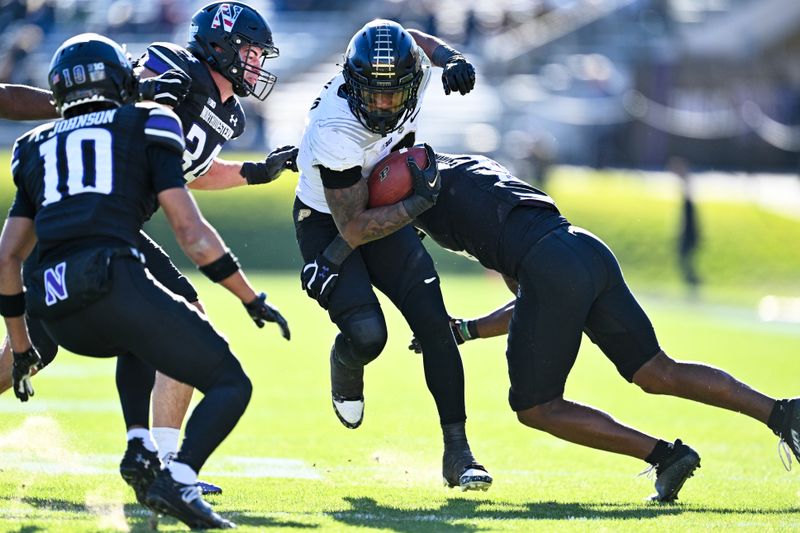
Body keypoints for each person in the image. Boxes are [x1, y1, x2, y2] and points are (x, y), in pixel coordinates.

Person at [0, 1, 298, 494]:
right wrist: (140, 94)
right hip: (93, 218)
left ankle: (158, 456)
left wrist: (251, 172)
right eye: (250, 52)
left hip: (105, 226)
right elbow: (98, 107)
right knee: (175, 317)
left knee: (37, 347)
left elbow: (186, 169)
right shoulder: (171, 69)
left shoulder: (227, 113)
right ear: (220, 46)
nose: (258, 64)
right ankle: (160, 460)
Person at [389, 151, 799, 501]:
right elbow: (531, 292)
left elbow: (531, 290)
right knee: (658, 371)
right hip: (585, 247)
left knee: (536, 408)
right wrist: (467, 329)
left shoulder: (443, 209)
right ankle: (782, 414)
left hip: (551, 266)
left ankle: (665, 457)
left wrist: (465, 329)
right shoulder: (469, 167)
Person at [294, 19, 492, 491]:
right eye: (374, 94)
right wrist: (418, 203)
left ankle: (458, 453)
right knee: (368, 335)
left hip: (384, 203)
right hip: (330, 217)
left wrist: (450, 58)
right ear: (352, 81)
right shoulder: (334, 128)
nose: (384, 105)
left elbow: (410, 40)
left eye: (393, 94)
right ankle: (346, 361)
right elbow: (354, 226)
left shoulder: (414, 72)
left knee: (434, 324)